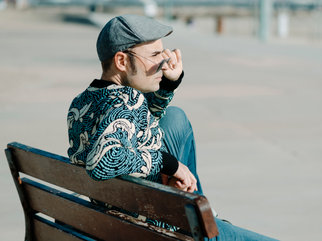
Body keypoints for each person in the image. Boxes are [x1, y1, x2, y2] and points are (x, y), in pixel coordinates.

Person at [67, 14, 277, 241]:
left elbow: (138, 124)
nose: (164, 62)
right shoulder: (128, 99)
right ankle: (203, 224)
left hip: (110, 216)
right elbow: (104, 162)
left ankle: (205, 217)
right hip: (152, 228)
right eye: (155, 55)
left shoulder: (83, 101)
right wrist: (170, 164)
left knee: (174, 118)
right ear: (121, 61)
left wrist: (168, 83)